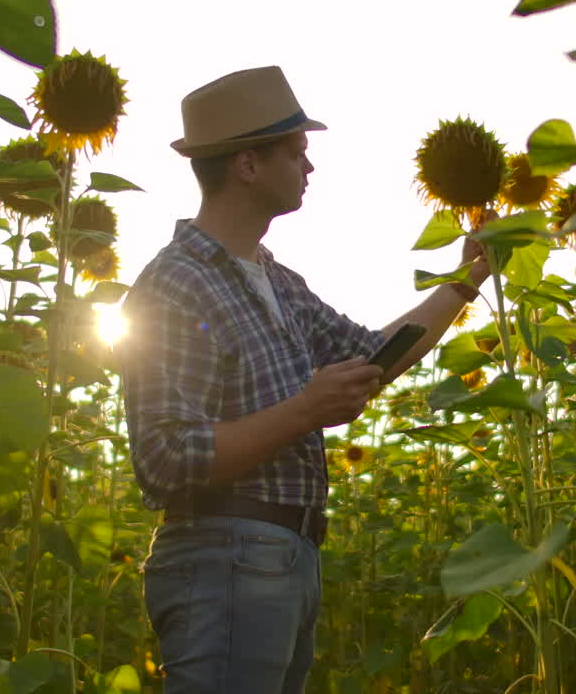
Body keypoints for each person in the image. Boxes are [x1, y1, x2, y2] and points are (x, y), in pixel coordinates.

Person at [120, 65, 490, 694]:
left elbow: (371, 355)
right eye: (297, 152)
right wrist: (304, 410)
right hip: (223, 554)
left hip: (286, 556)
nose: (310, 168)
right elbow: (164, 457)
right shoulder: (175, 284)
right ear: (247, 164)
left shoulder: (276, 280)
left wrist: (464, 283)